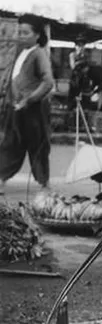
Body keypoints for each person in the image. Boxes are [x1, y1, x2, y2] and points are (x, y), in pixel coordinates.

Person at [0, 14, 54, 195]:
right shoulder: (20, 51)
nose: (20, 36)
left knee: (37, 145)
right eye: (19, 32)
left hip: (33, 110)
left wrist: (29, 99)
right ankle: (2, 178)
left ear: (37, 35)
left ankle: (44, 182)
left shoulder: (39, 53)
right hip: (16, 108)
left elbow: (48, 82)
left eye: (25, 33)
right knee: (10, 143)